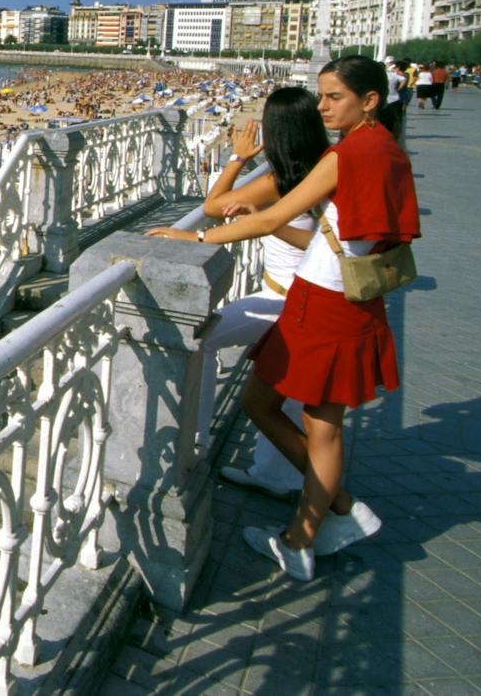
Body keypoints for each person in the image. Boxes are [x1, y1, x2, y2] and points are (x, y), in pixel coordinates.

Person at [150, 56, 418, 581]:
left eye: (334, 97)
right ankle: (330, 517)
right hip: (346, 302)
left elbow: (271, 216)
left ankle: (309, 533)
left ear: (369, 101)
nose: (323, 107)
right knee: (311, 422)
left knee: (302, 420)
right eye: (320, 97)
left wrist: (197, 237)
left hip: (322, 303)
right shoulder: (388, 150)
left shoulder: (350, 155)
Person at [191, 91, 326, 498]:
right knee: (288, 396)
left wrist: (238, 159)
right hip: (309, 299)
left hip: (283, 300)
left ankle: (195, 443)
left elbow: (213, 206)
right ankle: (278, 477)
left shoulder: (280, 180)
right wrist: (266, 221)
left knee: (201, 340)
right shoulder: (326, 167)